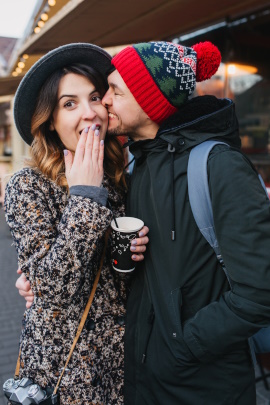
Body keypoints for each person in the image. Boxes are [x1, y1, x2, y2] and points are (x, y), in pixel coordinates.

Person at [101, 41, 270, 404]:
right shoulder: (138, 165)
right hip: (144, 381)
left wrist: (182, 345)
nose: (105, 100)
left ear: (151, 100)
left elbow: (259, 294)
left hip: (202, 386)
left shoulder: (219, 167)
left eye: (115, 90)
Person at [5, 43, 148, 405]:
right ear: (49, 120)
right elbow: (54, 290)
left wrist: (131, 253)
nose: (90, 114)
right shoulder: (28, 186)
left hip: (123, 364)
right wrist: (84, 195)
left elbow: (116, 280)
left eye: (95, 97)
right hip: (65, 370)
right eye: (69, 104)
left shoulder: (122, 176)